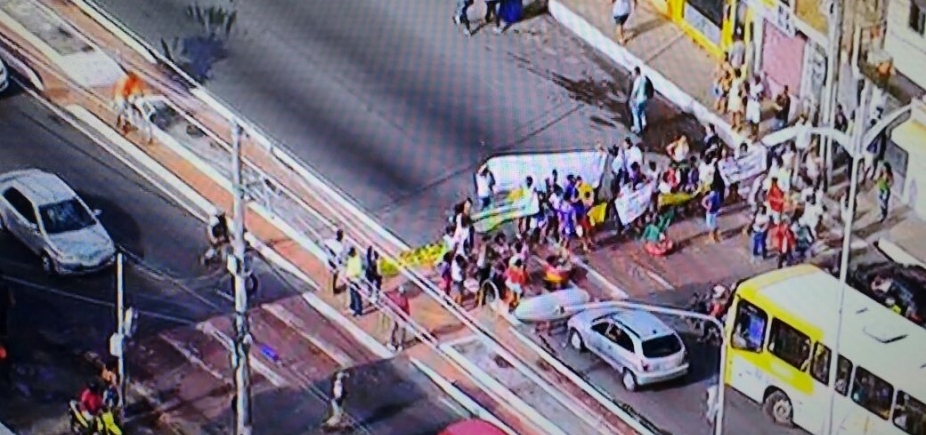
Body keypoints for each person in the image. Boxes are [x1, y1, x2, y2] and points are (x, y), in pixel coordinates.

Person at [629, 67, 653, 134]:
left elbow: (635, 92)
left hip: (638, 100)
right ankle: (644, 123)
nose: (632, 74)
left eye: (633, 73)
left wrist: (631, 100)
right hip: (645, 99)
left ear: (636, 73)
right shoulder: (644, 78)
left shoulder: (637, 81)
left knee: (635, 113)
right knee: (641, 111)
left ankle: (637, 129)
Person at [386, 286, 410, 351]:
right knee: (393, 327)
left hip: (401, 316)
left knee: (402, 329)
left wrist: (406, 317)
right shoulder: (393, 297)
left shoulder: (404, 299)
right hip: (394, 315)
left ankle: (401, 344)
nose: (401, 294)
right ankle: (391, 342)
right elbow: (389, 305)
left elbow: (406, 308)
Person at [0, 270, 12, 340]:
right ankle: (4, 335)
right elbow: (9, 296)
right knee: (3, 321)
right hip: (3, 307)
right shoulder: (4, 286)